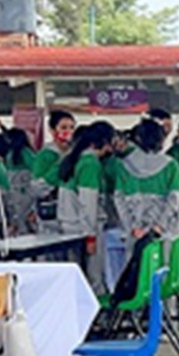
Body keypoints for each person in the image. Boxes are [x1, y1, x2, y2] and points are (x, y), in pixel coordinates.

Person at [112, 118, 179, 261]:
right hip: (165, 231)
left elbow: (119, 199)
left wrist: (132, 227)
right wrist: (159, 226)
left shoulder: (122, 166)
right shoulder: (171, 165)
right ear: (161, 140)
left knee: (137, 273)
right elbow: (174, 200)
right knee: (163, 272)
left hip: (136, 229)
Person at [58, 122, 116, 294]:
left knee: (75, 275)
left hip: (69, 226)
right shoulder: (90, 164)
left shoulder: (74, 159)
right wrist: (90, 236)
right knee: (94, 275)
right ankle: (97, 312)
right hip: (85, 227)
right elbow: (88, 203)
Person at [4, 128, 38, 235]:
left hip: (14, 193)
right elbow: (36, 170)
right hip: (25, 193)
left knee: (17, 220)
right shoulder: (27, 153)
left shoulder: (10, 154)